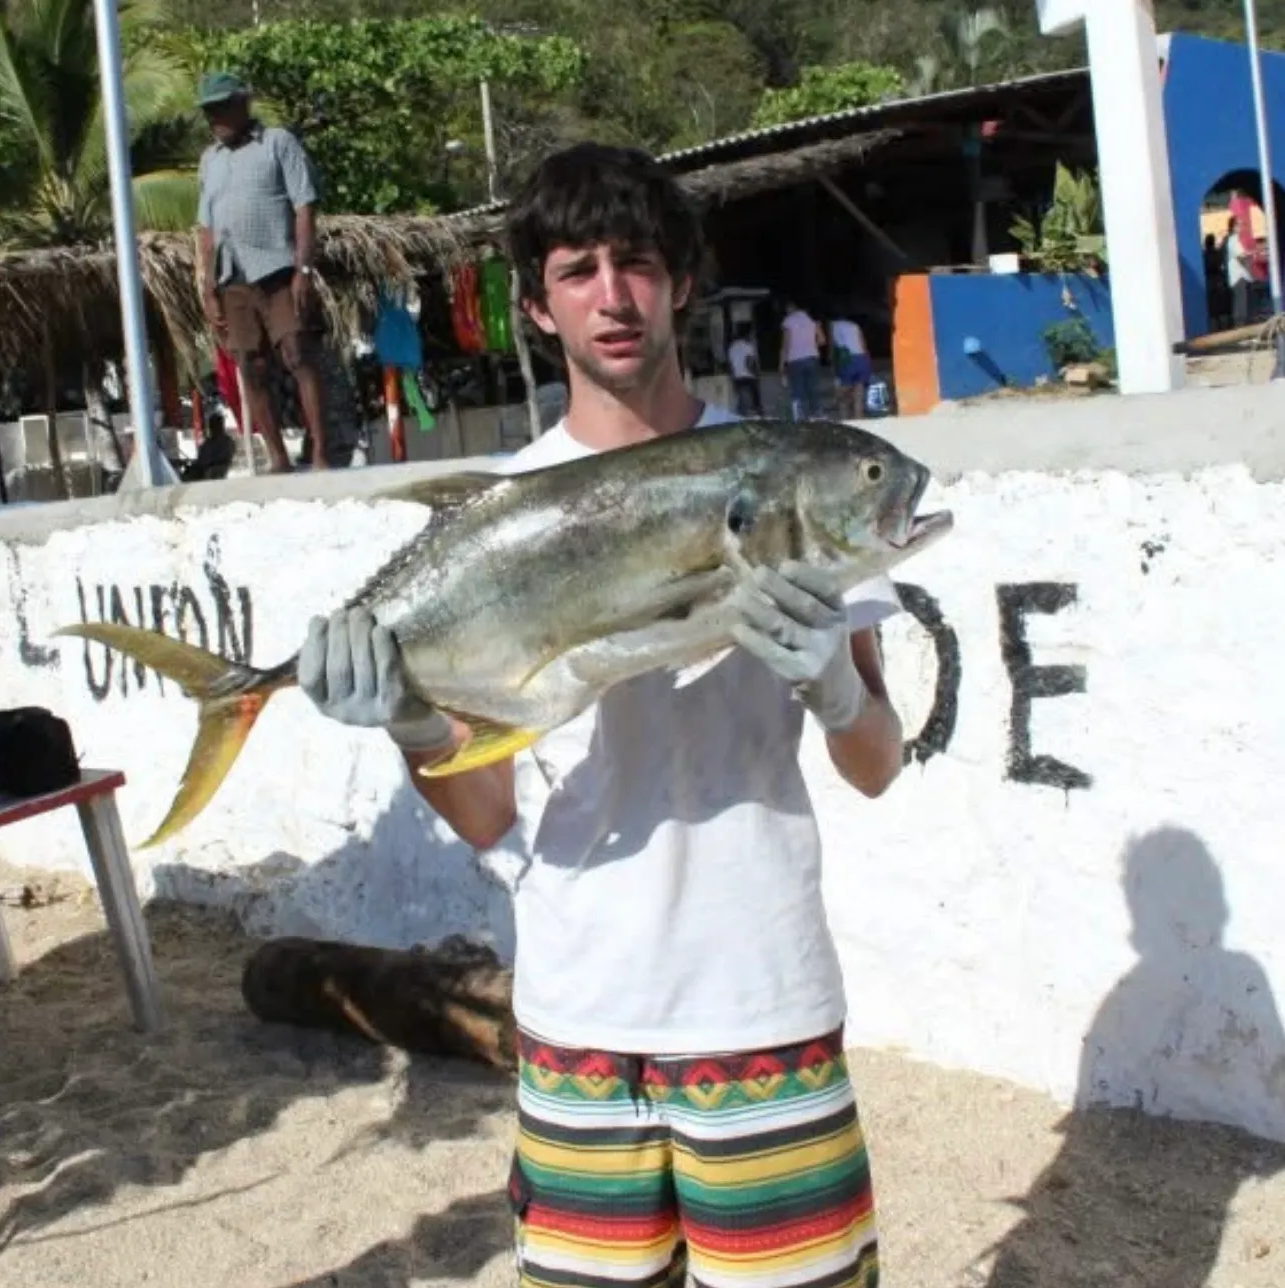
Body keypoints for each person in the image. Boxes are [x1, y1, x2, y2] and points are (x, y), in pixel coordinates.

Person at [296, 142, 906, 1288]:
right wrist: (415, 725)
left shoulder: (784, 476)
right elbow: (486, 819)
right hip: (578, 1016)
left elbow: (876, 763)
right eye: (577, 269)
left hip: (760, 1000)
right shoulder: (502, 509)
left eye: (637, 261)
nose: (613, 295)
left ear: (682, 277)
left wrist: (833, 683)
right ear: (535, 304)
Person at [195, 71, 329, 473]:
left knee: (296, 353)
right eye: (208, 111)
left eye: (220, 108)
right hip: (231, 275)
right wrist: (206, 284)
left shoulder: (278, 144)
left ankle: (321, 453)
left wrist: (303, 269)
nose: (214, 118)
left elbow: (304, 207)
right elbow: (205, 228)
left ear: (242, 104)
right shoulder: (209, 160)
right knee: (248, 366)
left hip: (276, 268)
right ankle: (278, 458)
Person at [780, 298, 826, 419]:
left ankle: (798, 416)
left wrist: (782, 364)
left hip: (795, 359)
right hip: (812, 357)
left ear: (791, 307)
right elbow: (822, 340)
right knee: (813, 387)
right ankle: (817, 414)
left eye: (787, 308)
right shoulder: (812, 319)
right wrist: (811, 346)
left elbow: (786, 344)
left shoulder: (788, 320)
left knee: (797, 388)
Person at [830, 313, 873, 420]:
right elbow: (863, 344)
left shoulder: (833, 325)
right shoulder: (854, 325)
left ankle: (843, 415)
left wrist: (832, 363)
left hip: (847, 359)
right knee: (859, 391)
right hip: (861, 358)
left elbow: (832, 346)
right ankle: (859, 418)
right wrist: (868, 361)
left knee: (843, 389)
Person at [725, 319, 762, 416]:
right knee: (755, 404)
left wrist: (732, 379)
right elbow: (749, 363)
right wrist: (756, 374)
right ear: (748, 333)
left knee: (742, 403)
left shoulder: (732, 347)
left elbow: (730, 366)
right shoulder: (748, 346)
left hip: (737, 378)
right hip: (749, 378)